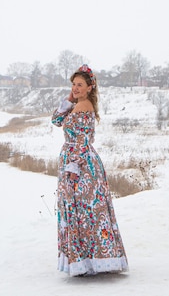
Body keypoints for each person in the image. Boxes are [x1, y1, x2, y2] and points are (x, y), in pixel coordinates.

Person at [51, 64, 128, 276]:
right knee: (78, 211)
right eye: (73, 84)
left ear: (89, 88)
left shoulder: (84, 106)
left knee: (85, 212)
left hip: (81, 164)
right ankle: (84, 262)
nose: (75, 88)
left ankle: (91, 261)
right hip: (72, 160)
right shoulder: (76, 104)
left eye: (80, 85)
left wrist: (73, 166)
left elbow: (83, 141)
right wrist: (69, 98)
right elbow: (56, 120)